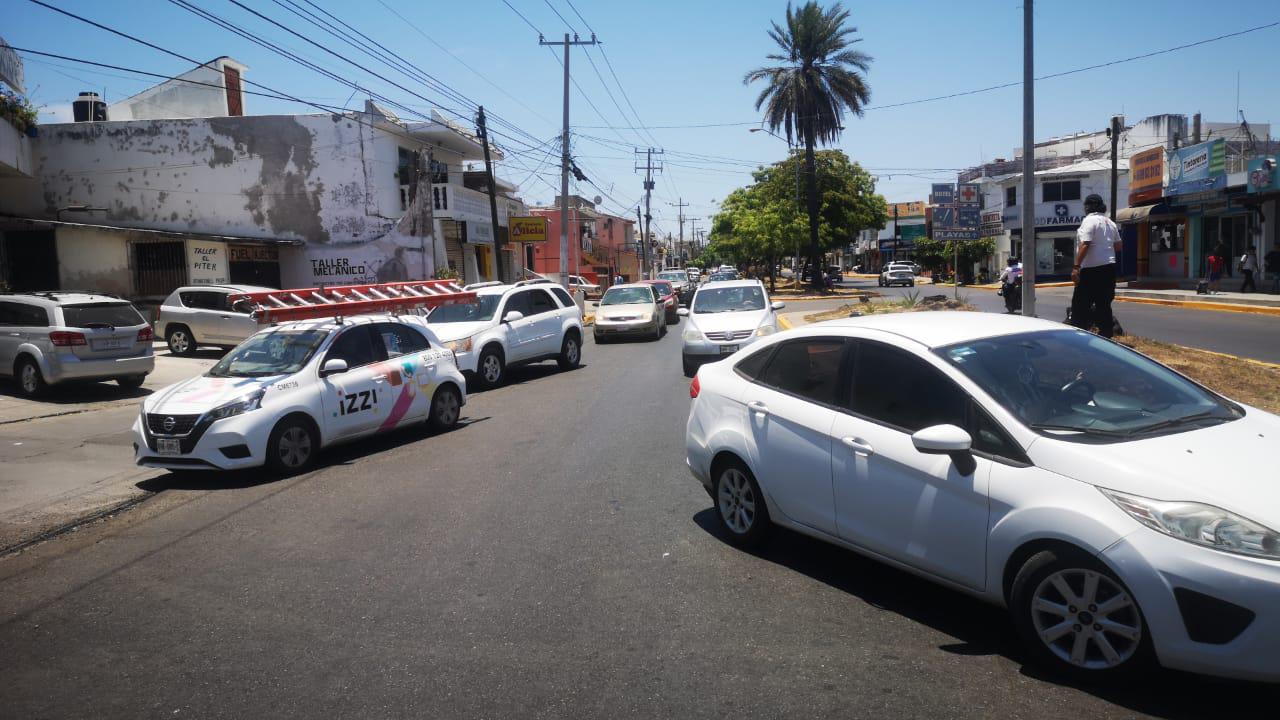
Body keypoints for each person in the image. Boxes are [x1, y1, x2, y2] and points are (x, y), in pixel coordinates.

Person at [1068, 194, 1122, 338]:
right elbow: (1118, 246)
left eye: (1085, 206)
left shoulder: (1089, 221)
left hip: (1091, 270)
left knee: (1080, 306)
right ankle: (1106, 336)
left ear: (1088, 207)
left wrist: (1076, 267)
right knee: (1104, 305)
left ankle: (1078, 338)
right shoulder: (1110, 222)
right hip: (1109, 268)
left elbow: (1085, 244)